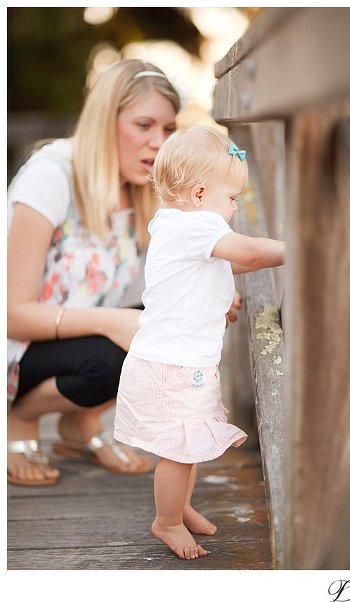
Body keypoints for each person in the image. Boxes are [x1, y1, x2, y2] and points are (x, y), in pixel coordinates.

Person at [7, 59, 183, 486]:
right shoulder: (51, 178)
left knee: (188, 318)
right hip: (16, 344)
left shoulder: (138, 190)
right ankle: (19, 416)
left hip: (70, 335)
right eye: (144, 125)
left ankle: (78, 425)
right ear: (107, 122)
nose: (158, 143)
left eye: (168, 130)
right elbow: (12, 314)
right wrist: (113, 320)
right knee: (112, 359)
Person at [113, 126, 286, 560]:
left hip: (179, 362)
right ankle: (166, 521)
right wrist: (298, 247)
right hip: (174, 367)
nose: (233, 208)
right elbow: (244, 252)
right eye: (231, 199)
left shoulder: (177, 225)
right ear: (199, 193)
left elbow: (226, 264)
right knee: (178, 450)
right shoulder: (196, 226)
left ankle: (181, 506)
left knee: (186, 448)